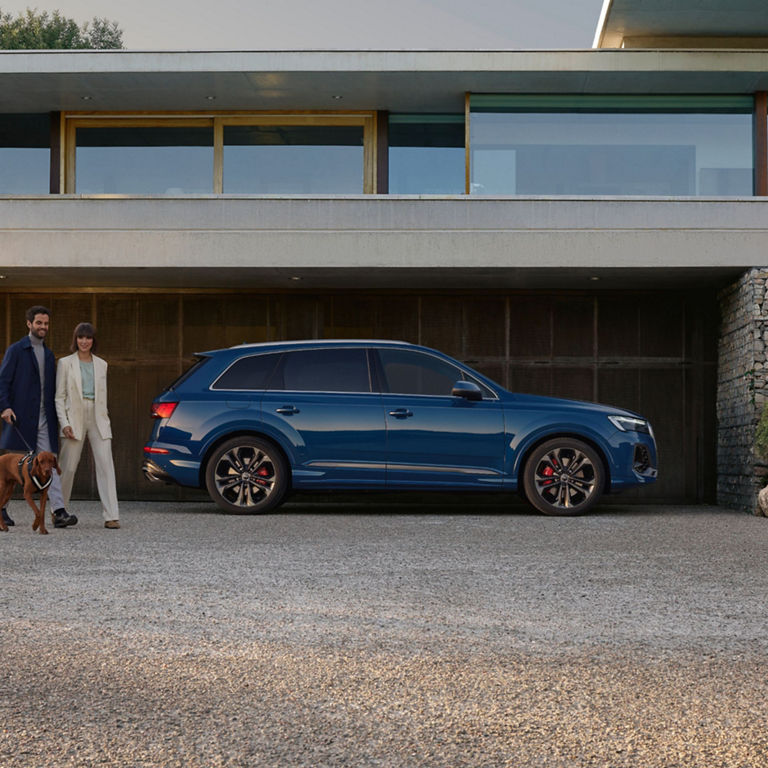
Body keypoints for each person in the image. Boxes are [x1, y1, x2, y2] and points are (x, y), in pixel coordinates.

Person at [0, 305, 76, 528]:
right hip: (21, 420)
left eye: (46, 323)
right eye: (39, 323)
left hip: (45, 420)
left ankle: (59, 511)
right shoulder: (16, 350)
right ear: (29, 324)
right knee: (12, 470)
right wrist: (5, 407)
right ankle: (2, 510)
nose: (43, 327)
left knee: (49, 463)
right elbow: (3, 381)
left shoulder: (49, 354)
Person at [55, 322, 120, 529]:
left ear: (93, 340)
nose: (84, 341)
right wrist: (64, 423)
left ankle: (111, 516)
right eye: (80, 338)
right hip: (74, 417)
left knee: (106, 466)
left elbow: (104, 397)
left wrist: (105, 418)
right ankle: (58, 511)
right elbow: (59, 397)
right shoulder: (65, 363)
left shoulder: (102, 364)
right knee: (68, 467)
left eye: (88, 338)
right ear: (75, 340)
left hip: (98, 417)